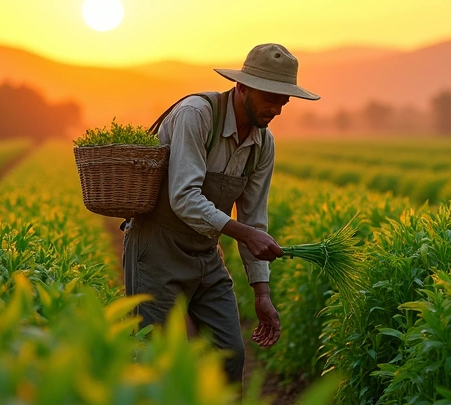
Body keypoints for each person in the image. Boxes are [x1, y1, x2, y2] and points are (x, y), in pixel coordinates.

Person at [122, 43, 320, 387]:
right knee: (157, 359)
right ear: (242, 87)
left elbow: (254, 216)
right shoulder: (196, 115)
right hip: (155, 250)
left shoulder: (263, 143)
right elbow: (183, 197)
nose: (276, 109)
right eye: (269, 98)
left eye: (283, 101)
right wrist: (243, 233)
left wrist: (262, 293)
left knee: (229, 355)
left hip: (205, 254)